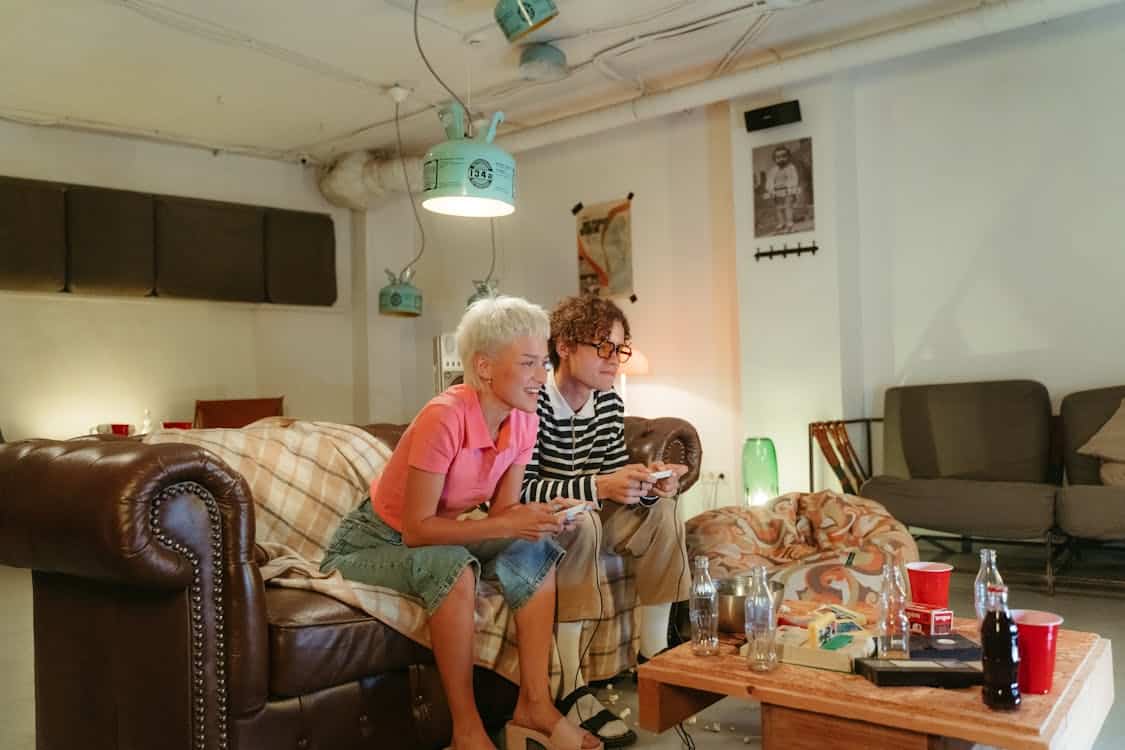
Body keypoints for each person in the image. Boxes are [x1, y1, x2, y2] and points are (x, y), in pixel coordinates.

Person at [322, 296, 602, 750]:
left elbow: (503, 516)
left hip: (429, 537)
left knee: (533, 550)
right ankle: (466, 731)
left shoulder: (524, 419)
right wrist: (512, 525)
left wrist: (542, 519)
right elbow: (417, 530)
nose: (541, 376)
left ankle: (534, 704)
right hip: (372, 542)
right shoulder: (445, 416)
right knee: (451, 566)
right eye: (529, 363)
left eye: (543, 363)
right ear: (485, 366)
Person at [521, 295, 689, 748]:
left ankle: (654, 654)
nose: (614, 361)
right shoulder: (533, 403)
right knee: (583, 523)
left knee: (666, 511)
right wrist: (599, 487)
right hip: (547, 523)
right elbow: (521, 489)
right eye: (603, 348)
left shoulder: (609, 403)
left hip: (597, 513)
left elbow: (614, 468)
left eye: (620, 349)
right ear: (565, 347)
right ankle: (572, 686)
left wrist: (647, 485)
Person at [764, 145, 801, 233]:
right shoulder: (773, 170)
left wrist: (792, 187)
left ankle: (789, 223)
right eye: (778, 157)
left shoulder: (791, 167)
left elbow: (794, 178)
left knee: (788, 206)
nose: (781, 159)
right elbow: (769, 181)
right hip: (776, 192)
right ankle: (781, 223)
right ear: (774, 159)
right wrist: (770, 189)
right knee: (779, 208)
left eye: (784, 156)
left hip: (787, 190)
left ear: (788, 157)